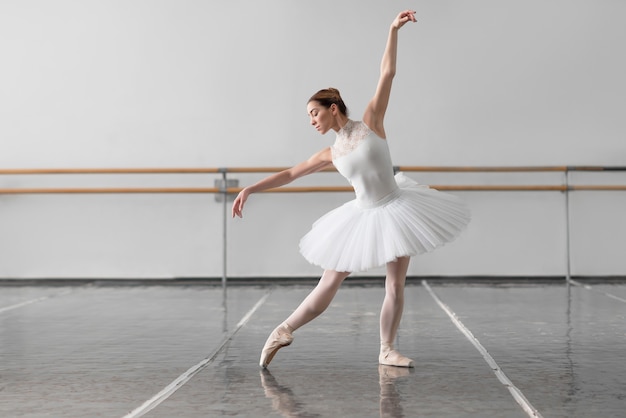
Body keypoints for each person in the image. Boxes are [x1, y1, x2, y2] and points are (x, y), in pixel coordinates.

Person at [232, 10, 470, 369]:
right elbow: (291, 173)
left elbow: (387, 73)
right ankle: (283, 330)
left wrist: (393, 30)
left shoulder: (372, 121)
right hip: (362, 216)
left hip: (398, 207)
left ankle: (386, 349)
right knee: (329, 283)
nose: (312, 121)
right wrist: (251, 188)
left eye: (314, 113)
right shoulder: (329, 153)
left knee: (395, 286)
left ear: (332, 108)